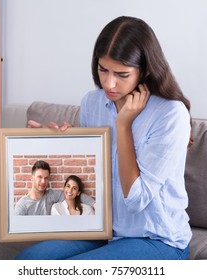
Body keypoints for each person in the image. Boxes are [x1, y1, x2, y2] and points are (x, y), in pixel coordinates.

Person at [16, 16, 193, 259]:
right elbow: (88, 181)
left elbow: (136, 199)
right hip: (102, 226)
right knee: (27, 261)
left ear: (145, 70)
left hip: (157, 238)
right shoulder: (92, 102)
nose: (109, 83)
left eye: (122, 74)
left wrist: (123, 126)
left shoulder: (170, 114)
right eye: (103, 69)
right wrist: (55, 146)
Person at [14, 160, 95, 215]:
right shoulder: (22, 205)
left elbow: (72, 194)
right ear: (32, 177)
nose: (43, 181)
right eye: (40, 177)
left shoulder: (52, 195)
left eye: (46, 178)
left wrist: (94, 204)